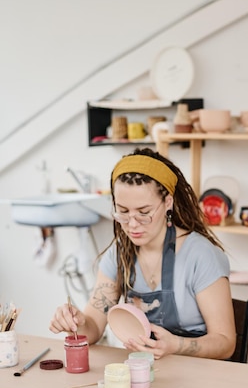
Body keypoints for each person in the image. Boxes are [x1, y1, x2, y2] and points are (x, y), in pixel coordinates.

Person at [49, 147, 236, 360]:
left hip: (201, 376)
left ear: (168, 202)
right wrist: (76, 322)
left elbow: (225, 343)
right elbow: (93, 328)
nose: (133, 224)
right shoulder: (120, 253)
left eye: (144, 213)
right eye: (123, 212)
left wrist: (176, 344)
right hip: (148, 373)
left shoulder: (200, 255)